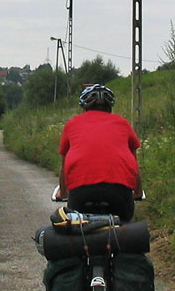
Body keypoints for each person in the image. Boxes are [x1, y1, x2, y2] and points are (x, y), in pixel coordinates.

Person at [57, 83, 142, 222]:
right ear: (110, 107)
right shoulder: (122, 123)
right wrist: (137, 193)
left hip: (81, 192)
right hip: (119, 192)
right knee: (125, 225)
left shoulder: (71, 125)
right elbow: (135, 165)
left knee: (78, 227)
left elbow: (64, 167)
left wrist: (64, 193)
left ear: (84, 107)